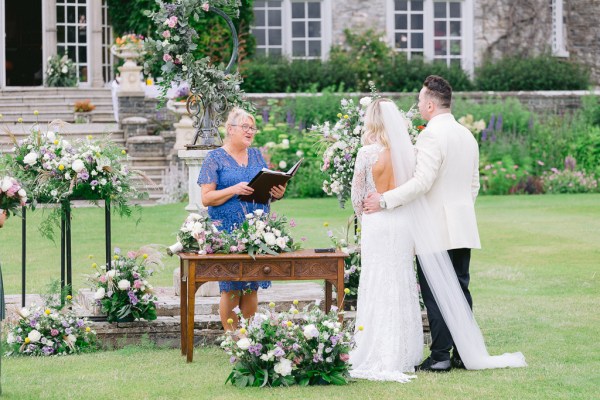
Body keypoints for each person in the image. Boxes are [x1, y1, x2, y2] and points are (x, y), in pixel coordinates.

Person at [363, 75, 526, 371]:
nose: (417, 104)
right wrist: (461, 211)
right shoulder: (467, 135)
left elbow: (422, 182)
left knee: (436, 293)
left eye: (419, 100)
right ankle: (464, 352)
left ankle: (440, 356)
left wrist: (384, 200)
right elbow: (473, 185)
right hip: (463, 225)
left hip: (434, 227)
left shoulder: (430, 136)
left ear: (429, 103)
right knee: (460, 290)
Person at [348, 99, 423, 382]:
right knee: (401, 278)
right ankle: (404, 351)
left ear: (372, 121)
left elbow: (357, 197)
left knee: (377, 279)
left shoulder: (367, 153)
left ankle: (377, 347)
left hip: (376, 223)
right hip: (402, 221)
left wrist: (365, 211)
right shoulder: (410, 153)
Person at [198, 108, 286, 330]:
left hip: (255, 229)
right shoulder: (214, 158)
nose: (250, 131)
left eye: (252, 128)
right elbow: (206, 198)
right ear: (230, 129)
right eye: (245, 127)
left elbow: (261, 189)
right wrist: (233, 189)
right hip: (227, 232)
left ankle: (250, 337)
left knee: (251, 284)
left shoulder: (256, 155)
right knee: (231, 286)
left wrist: (276, 193)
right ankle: (232, 338)